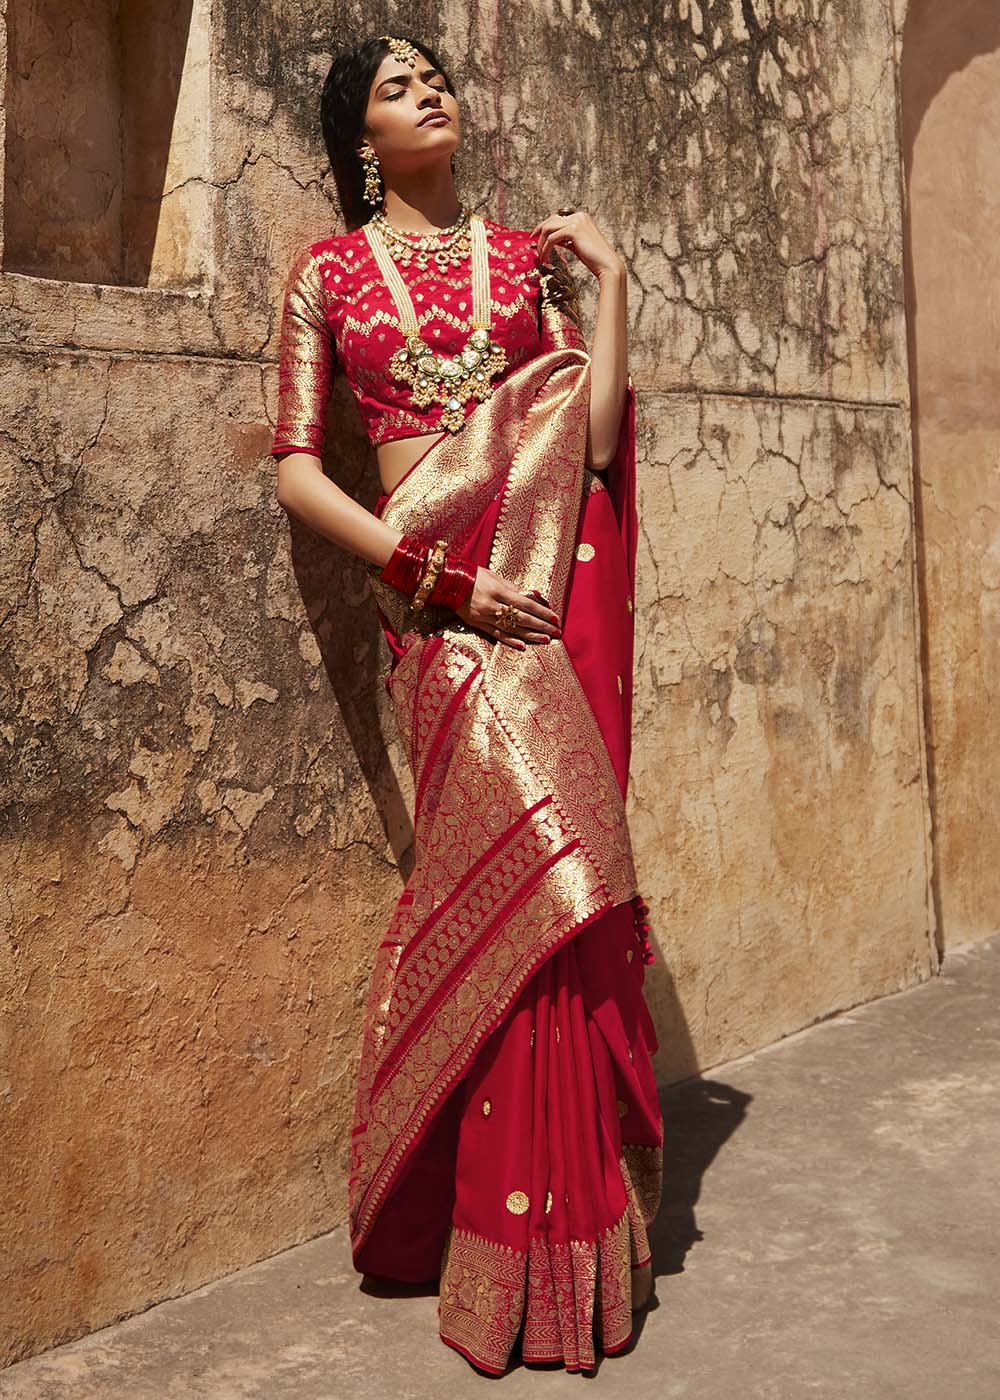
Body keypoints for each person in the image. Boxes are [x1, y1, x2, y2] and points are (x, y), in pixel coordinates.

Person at [270, 32, 663, 1376]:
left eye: (435, 74)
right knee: (493, 891)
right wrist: (439, 575)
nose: (428, 90)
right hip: (439, 622)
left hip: (540, 608)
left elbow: (595, 440)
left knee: (551, 909)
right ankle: (470, 1231)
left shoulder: (522, 267)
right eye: (395, 86)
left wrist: (608, 284)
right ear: (358, 141)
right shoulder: (325, 275)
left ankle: (568, 1253)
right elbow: (295, 469)